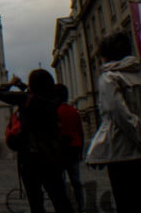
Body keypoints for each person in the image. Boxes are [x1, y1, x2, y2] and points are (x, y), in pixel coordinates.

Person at [86, 31, 141, 213]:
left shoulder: (109, 78)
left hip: (123, 154)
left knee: (128, 204)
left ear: (106, 55)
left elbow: (120, 116)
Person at [0, 69, 74, 213]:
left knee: (36, 202)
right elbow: (35, 93)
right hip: (52, 155)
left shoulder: (26, 99)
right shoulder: (54, 98)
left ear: (32, 85)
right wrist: (22, 85)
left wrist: (10, 84)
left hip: (30, 156)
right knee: (59, 198)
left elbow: (0, 94)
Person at [54, 83, 85, 213]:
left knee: (60, 181)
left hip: (61, 149)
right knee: (76, 180)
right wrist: (81, 150)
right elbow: (80, 131)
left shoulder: (55, 111)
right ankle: (80, 205)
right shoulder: (74, 111)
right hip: (75, 148)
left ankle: (65, 206)